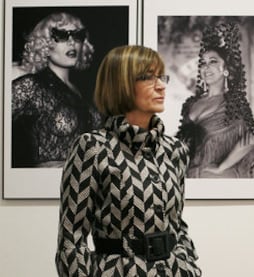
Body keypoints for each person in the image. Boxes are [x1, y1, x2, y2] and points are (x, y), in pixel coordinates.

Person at [55, 45, 201, 277]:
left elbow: (176, 224)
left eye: (161, 76)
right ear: (120, 84)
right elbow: (71, 239)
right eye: (147, 77)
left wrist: (189, 264)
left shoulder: (175, 150)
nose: (161, 85)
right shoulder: (92, 148)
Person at [11, 12, 101, 167]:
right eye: (62, 35)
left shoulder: (84, 93)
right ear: (44, 43)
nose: (72, 43)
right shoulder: (30, 86)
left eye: (77, 35)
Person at [176, 23, 254, 178]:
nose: (206, 67)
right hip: (191, 176)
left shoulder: (234, 103)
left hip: (218, 179)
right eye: (203, 63)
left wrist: (222, 167)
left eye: (213, 61)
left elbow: (251, 138)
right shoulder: (192, 104)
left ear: (226, 70)